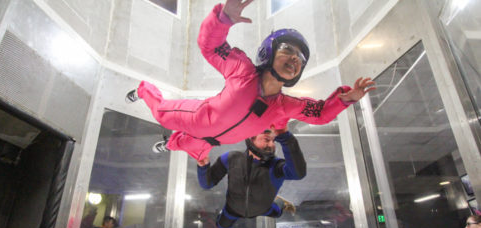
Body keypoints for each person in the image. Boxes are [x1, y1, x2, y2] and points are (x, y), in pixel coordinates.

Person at [126, 0, 375, 160]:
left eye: (300, 57)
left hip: (212, 140)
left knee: (184, 146)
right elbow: (210, 46)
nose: (295, 59)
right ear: (269, 52)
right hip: (198, 117)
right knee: (160, 114)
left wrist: (346, 99)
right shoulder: (242, 70)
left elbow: (319, 113)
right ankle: (143, 89)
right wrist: (222, 19)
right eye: (288, 49)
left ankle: (167, 146)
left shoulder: (283, 106)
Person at [197, 127, 304, 228]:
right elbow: (207, 184)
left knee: (278, 213)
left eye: (273, 141)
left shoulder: (276, 165)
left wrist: (285, 138)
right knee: (222, 227)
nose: (272, 145)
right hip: (233, 209)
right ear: (251, 138)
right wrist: (203, 167)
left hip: (264, 208)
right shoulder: (231, 158)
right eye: (267, 139)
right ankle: (276, 201)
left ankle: (279, 202)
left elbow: (298, 174)